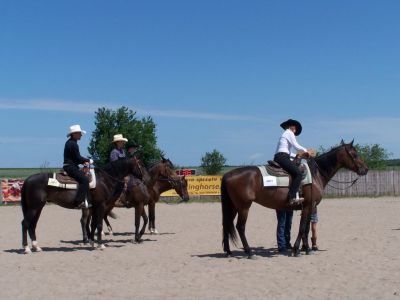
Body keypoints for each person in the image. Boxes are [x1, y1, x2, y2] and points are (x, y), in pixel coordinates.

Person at [274, 119, 309, 205]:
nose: (295, 130)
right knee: (298, 174)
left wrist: (298, 155)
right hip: (282, 157)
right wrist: (307, 151)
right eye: (295, 127)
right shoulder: (289, 133)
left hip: (281, 156)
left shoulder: (285, 134)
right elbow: (296, 146)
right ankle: (292, 197)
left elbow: (289, 152)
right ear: (291, 126)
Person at [63, 124, 92, 209]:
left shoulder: (71, 142)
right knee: (84, 180)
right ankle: (79, 202)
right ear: (74, 134)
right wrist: (88, 160)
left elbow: (76, 159)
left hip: (70, 165)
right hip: (70, 167)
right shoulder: (73, 144)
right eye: (79, 133)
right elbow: (78, 158)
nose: (81, 135)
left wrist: (84, 162)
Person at [109, 134, 129, 203]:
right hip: (116, 173)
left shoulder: (123, 151)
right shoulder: (114, 152)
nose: (123, 143)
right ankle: (117, 198)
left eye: (123, 141)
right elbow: (115, 165)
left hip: (123, 172)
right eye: (121, 141)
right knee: (120, 183)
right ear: (117, 142)